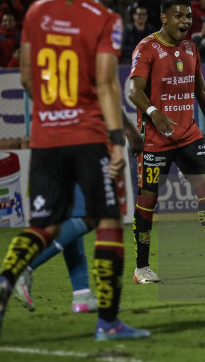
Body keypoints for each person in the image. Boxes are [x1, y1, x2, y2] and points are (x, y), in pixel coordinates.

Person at [0, 0, 149, 342]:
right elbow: (107, 83)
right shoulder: (106, 17)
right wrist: (117, 141)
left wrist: (54, 111)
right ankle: (108, 322)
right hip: (88, 134)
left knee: (44, 224)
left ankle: (4, 280)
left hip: (46, 136)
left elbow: (24, 76)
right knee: (107, 219)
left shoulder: (36, 12)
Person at [128, 0, 205, 284]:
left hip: (189, 135)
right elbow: (133, 91)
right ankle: (141, 268)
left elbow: (200, 88)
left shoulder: (191, 48)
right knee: (147, 201)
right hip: (155, 139)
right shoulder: (146, 48)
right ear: (164, 18)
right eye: (179, 15)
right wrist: (154, 112)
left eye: (188, 16)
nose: (185, 21)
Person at [13, 115, 143, 314]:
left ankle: (81, 295)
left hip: (54, 142)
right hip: (81, 146)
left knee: (74, 216)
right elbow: (106, 95)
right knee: (91, 216)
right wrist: (131, 132)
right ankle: (25, 266)